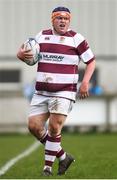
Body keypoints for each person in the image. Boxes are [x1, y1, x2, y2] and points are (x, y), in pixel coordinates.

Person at [17, 6, 96, 176]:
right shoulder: (41, 35)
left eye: (66, 18)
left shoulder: (76, 38)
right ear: (52, 20)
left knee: (54, 127)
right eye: (59, 18)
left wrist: (85, 82)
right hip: (41, 91)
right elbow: (25, 53)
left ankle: (47, 169)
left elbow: (91, 61)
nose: (63, 21)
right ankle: (63, 156)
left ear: (70, 20)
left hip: (64, 91)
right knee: (33, 126)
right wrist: (21, 55)